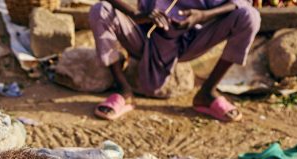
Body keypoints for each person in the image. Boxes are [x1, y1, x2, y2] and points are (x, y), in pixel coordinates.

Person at [88, 0, 260, 121]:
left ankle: (207, 92)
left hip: (191, 40)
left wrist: (204, 15)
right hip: (145, 35)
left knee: (249, 16)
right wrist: (135, 14)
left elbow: (242, 2)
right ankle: (124, 90)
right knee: (100, 10)